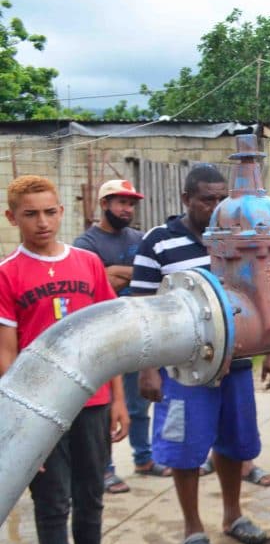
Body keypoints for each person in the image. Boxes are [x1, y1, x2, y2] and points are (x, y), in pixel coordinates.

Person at [0, 175, 139, 544]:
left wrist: (118, 398)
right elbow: (6, 356)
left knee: (91, 491)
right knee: (52, 498)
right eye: (30, 214)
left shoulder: (88, 263)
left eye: (49, 212)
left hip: (93, 400)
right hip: (41, 411)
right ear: (12, 218)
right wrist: (19, 426)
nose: (42, 223)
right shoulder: (7, 274)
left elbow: (108, 337)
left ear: (62, 212)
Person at [130, 164, 270, 544]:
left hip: (236, 363)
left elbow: (258, 296)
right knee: (184, 449)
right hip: (182, 370)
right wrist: (147, 368)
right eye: (206, 200)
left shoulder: (234, 240)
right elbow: (143, 310)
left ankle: (233, 515)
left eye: (220, 199)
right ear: (186, 200)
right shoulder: (158, 243)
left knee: (235, 441)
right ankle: (193, 529)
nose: (214, 207)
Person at [73, 179, 170, 493]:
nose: (127, 209)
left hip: (138, 328)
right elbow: (97, 285)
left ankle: (144, 459)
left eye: (131, 204)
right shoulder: (86, 243)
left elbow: (151, 276)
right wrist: (129, 272)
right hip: (105, 333)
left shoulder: (139, 238)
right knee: (106, 404)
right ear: (104, 204)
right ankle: (105, 469)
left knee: (140, 399)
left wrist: (117, 271)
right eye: (121, 203)